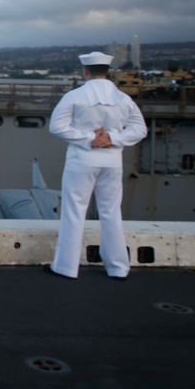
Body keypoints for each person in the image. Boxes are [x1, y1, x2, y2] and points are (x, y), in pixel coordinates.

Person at [46, 51, 147, 280]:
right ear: (108, 71)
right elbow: (140, 129)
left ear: (85, 71)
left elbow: (56, 127)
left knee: (74, 212)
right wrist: (112, 138)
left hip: (82, 161)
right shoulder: (123, 99)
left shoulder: (75, 96)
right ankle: (118, 267)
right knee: (111, 213)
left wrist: (88, 138)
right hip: (112, 162)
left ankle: (66, 267)